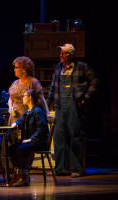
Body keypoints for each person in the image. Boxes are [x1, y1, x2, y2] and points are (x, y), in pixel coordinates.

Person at [47, 44, 99, 178]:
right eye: (60, 53)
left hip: (74, 106)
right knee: (59, 137)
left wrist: (85, 99)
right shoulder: (59, 67)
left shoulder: (82, 66)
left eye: (63, 53)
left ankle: (77, 168)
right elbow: (53, 86)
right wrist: (48, 104)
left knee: (75, 136)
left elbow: (95, 81)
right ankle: (61, 169)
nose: (60, 55)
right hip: (60, 106)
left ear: (71, 54)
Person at [9, 89, 50, 187]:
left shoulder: (38, 111)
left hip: (39, 141)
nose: (23, 98)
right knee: (11, 149)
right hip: (32, 140)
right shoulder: (28, 111)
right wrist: (15, 123)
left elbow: (41, 130)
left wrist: (30, 139)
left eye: (24, 96)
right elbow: (21, 120)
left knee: (20, 149)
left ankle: (25, 177)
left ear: (30, 97)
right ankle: (18, 173)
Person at [8, 56, 49, 144]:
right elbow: (10, 98)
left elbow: (41, 98)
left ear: (24, 69)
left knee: (26, 144)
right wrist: (10, 107)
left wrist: (47, 113)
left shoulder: (33, 82)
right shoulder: (15, 83)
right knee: (14, 144)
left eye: (16, 67)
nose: (14, 69)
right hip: (14, 118)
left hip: (28, 118)